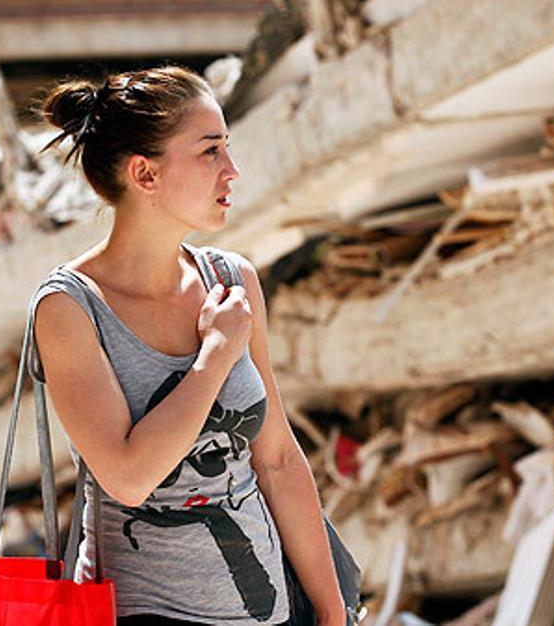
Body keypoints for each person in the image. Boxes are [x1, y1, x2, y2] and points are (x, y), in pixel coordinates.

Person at [27, 66, 346, 625]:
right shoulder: (70, 309)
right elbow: (128, 477)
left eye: (228, 147)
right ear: (145, 175)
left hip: (270, 612)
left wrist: (331, 610)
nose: (232, 170)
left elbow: (274, 458)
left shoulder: (232, 280)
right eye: (210, 151)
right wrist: (216, 354)